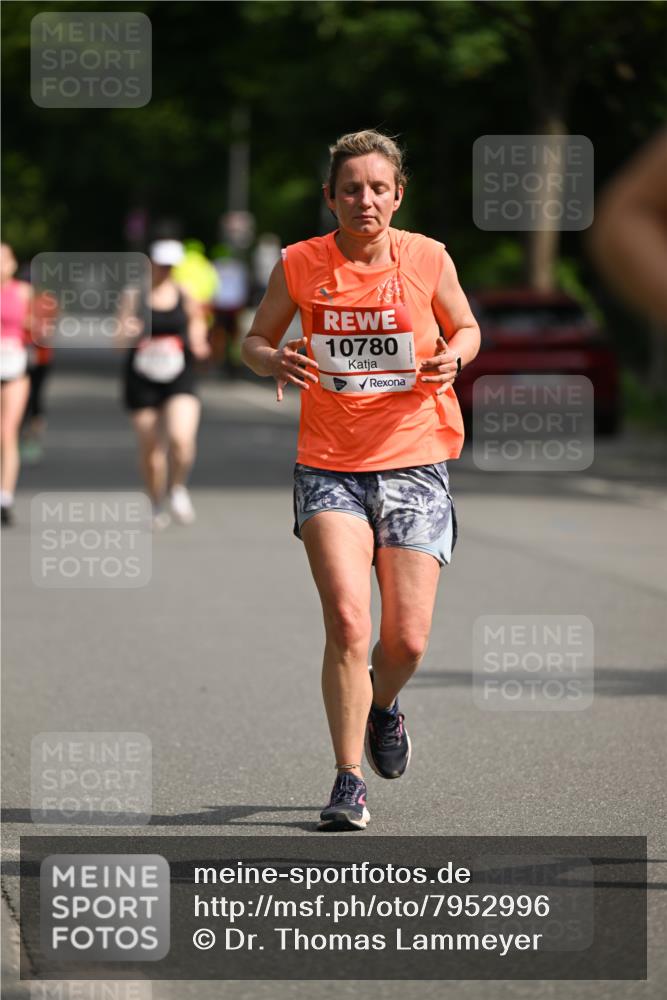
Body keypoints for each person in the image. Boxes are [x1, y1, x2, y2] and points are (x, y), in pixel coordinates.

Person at [241, 130, 481, 830]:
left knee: (405, 641)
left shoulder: (428, 258)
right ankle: (347, 779)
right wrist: (272, 360)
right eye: (350, 189)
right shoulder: (299, 264)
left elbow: (465, 327)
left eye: (377, 188)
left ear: (396, 195)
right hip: (329, 466)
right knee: (348, 621)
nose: (364, 199)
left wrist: (454, 359)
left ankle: (383, 704)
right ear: (330, 198)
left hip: (413, 460)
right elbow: (254, 340)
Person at [118, 239, 211, 529]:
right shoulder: (135, 295)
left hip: (178, 375)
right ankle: (155, 501)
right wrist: (128, 333)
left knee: (181, 440)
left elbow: (197, 323)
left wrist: (198, 341)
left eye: (171, 266)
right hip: (142, 377)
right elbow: (118, 340)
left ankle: (177, 488)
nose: (166, 271)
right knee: (151, 449)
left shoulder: (185, 293)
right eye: (161, 265)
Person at [0, 243, 32, 525]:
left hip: (13, 369)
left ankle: (5, 497)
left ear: (12, 264)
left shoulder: (23, 292)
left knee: (7, 432)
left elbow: (41, 326)